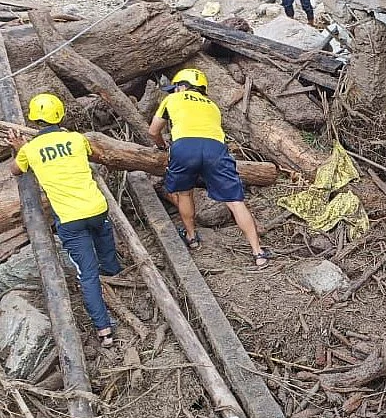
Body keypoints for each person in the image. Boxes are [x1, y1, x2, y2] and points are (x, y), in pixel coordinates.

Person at [7, 93, 121, 348]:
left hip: (70, 219)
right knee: (104, 237)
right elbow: (92, 151)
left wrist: (19, 148)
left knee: (87, 275)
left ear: (34, 119)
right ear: (60, 115)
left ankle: (104, 330)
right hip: (97, 208)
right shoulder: (76, 139)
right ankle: (113, 270)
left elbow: (14, 170)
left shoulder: (30, 149)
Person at [148, 68, 270, 268]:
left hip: (185, 146)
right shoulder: (212, 106)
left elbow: (153, 131)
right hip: (216, 149)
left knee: (185, 194)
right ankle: (258, 253)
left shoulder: (172, 100)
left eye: (175, 88)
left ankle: (191, 237)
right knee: (235, 201)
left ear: (182, 86)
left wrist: (162, 146)